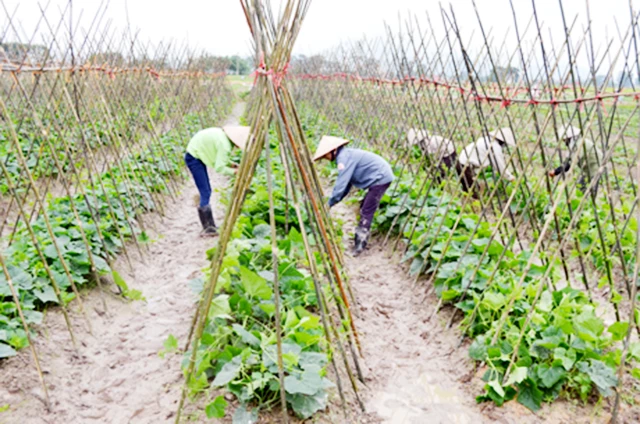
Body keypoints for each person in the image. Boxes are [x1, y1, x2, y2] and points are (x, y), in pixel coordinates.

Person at [313, 136, 395, 256]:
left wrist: (330, 203)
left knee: (366, 211)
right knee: (365, 207)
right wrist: (333, 201)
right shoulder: (346, 155)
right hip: (381, 175)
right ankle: (360, 240)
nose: (326, 158)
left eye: (326, 155)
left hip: (380, 178)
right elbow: (346, 186)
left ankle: (359, 245)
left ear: (334, 150)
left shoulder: (343, 159)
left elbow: (341, 183)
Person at [185, 126, 250, 236]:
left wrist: (232, 165)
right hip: (194, 158)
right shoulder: (225, 145)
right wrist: (235, 172)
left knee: (206, 190)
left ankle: (210, 226)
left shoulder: (223, 138)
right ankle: (207, 228)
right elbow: (220, 167)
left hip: (195, 153)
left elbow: (221, 159)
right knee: (205, 191)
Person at [458, 127, 516, 197]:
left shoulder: (486, 139)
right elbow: (499, 166)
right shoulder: (495, 147)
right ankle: (473, 205)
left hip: (462, 163)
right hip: (465, 166)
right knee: (474, 192)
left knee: (468, 189)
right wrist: (510, 177)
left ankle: (465, 203)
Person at [548, 124, 603, 196]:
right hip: (588, 168)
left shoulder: (579, 144)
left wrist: (556, 172)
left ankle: (590, 204)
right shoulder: (575, 143)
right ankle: (587, 203)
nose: (564, 141)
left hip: (595, 166)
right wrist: (556, 171)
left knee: (588, 188)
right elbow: (568, 159)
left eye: (564, 139)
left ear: (569, 137)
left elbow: (571, 163)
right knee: (582, 188)